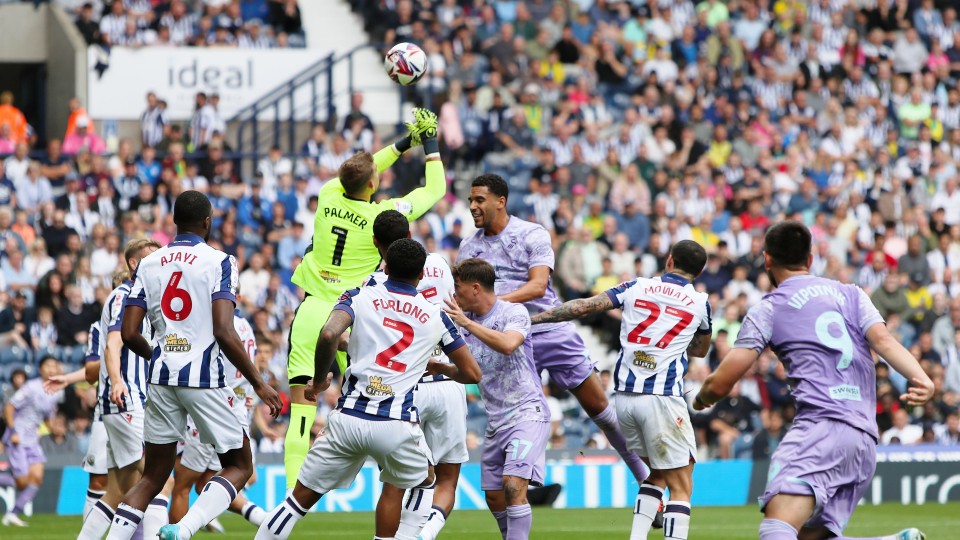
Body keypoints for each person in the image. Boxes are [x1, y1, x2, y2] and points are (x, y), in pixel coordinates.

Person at [694, 221, 933, 540]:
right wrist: (922, 378)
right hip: (863, 440)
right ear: (809, 259)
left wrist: (699, 400)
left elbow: (722, 382)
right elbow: (885, 342)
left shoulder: (770, 308)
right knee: (810, 536)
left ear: (766, 260)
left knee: (776, 528)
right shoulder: (852, 294)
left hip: (821, 429)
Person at [255, 239, 481, 539]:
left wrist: (321, 379)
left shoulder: (359, 295)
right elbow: (472, 372)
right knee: (425, 480)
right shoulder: (434, 315)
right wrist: (440, 368)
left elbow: (329, 333)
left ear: (385, 267)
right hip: (394, 425)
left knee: (296, 503)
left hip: (348, 419)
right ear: (420, 276)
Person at [103, 191, 281, 540]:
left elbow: (128, 332)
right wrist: (258, 382)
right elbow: (224, 330)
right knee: (240, 465)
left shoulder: (149, 264)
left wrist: (157, 355)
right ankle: (183, 529)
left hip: (161, 379)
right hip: (203, 380)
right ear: (207, 222)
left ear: (173, 221)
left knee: (152, 477)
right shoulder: (220, 261)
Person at [283, 107, 443, 489]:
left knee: (301, 413)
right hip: (352, 317)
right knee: (372, 403)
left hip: (310, 313)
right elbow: (434, 189)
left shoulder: (326, 194)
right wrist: (429, 143)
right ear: (373, 185)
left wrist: (404, 143)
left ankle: (290, 500)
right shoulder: (382, 216)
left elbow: (362, 168)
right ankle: (397, 479)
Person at [456, 173, 650, 484]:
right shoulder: (468, 247)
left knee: (599, 408)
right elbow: (465, 298)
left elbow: (536, 286)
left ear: (500, 201)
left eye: (479, 200)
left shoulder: (532, 233)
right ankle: (525, 486)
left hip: (548, 328)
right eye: (470, 201)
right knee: (521, 417)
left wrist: (493, 303)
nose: (473, 206)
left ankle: (645, 477)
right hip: (509, 342)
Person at [530, 240, 712, 540]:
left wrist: (533, 319)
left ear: (669, 260)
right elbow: (701, 350)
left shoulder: (636, 286)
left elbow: (584, 306)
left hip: (625, 398)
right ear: (700, 270)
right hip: (662, 397)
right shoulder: (700, 302)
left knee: (657, 475)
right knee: (683, 483)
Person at [365, 211, 464, 540]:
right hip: (449, 381)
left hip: (407, 386)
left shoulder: (377, 279)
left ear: (376, 242)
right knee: (447, 479)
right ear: (409, 232)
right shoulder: (438, 262)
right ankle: (426, 533)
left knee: (400, 480)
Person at [443, 258, 547, 540]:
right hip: (496, 420)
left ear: (475, 288)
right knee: (494, 497)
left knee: (513, 486)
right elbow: (472, 375)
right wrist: (443, 369)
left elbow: (508, 344)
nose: (454, 295)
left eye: (458, 288)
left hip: (527, 412)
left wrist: (465, 323)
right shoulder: (466, 325)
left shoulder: (513, 312)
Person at [78, 240, 162, 540]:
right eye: (154, 258)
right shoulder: (124, 295)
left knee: (117, 492)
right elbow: (113, 344)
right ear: (134, 264)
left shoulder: (142, 299)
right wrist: (116, 381)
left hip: (128, 402)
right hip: (126, 401)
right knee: (158, 478)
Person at [170, 295, 267, 531]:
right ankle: (260, 517)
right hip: (233, 411)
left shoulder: (217, 323)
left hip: (209, 406)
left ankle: (180, 531)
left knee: (181, 485)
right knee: (208, 482)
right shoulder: (247, 328)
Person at [0, 356, 64, 527]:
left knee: (37, 478)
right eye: (48, 365)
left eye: (54, 366)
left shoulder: (56, 391)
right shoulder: (30, 387)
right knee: (22, 483)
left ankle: (13, 515)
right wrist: (13, 431)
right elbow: (8, 407)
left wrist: (54, 428)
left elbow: (47, 417)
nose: (51, 369)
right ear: (40, 369)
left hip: (33, 440)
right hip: (18, 439)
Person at [81, 321, 109, 520]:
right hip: (107, 413)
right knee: (99, 482)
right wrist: (115, 347)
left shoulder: (154, 321)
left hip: (147, 414)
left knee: (148, 482)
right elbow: (90, 374)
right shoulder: (99, 327)